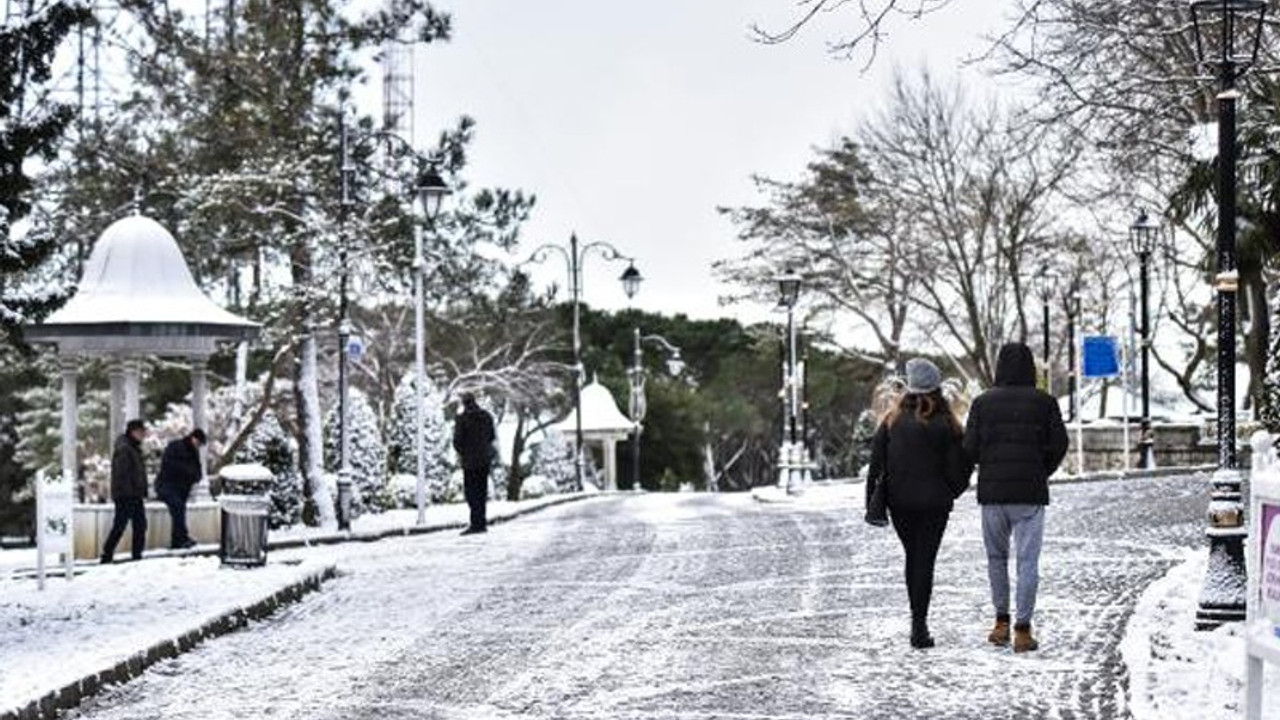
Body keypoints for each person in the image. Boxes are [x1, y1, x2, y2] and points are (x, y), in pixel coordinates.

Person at [963, 342, 1068, 653]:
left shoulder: (982, 403)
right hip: (1029, 493)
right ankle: (1023, 629)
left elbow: (969, 447)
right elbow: (1059, 444)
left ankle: (1001, 623)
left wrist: (990, 463)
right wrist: (1040, 469)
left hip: (993, 493)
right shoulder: (1045, 402)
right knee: (1027, 561)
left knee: (996, 558)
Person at [866, 358, 972, 649]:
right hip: (935, 505)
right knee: (925, 560)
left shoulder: (891, 422)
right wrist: (951, 490)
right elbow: (961, 467)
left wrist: (871, 504)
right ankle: (919, 626)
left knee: (913, 556)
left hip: (900, 503)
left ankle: (918, 622)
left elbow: (876, 465)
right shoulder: (947, 424)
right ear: (937, 389)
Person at [101, 419, 149, 563]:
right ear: (133, 432)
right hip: (127, 495)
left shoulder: (132, 448)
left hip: (133, 494)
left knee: (138, 525)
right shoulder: (125, 448)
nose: (143, 435)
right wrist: (129, 491)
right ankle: (108, 554)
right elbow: (122, 474)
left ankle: (135, 554)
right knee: (121, 525)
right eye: (141, 432)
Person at [155, 428, 206, 550]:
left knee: (179, 509)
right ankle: (181, 539)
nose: (198, 446)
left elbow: (197, 471)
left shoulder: (193, 451)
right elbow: (172, 467)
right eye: (198, 443)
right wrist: (189, 474)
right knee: (178, 507)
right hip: (167, 486)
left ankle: (178, 539)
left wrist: (193, 476)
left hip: (180, 488)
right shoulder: (176, 447)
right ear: (193, 438)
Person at [453, 392, 496, 535]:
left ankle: (475, 523)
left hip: (469, 462)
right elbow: (491, 436)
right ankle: (481, 522)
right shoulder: (486, 417)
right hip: (484, 460)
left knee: (471, 493)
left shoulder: (462, 419)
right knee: (481, 492)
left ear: (464, 403)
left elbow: (457, 442)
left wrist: (464, 452)